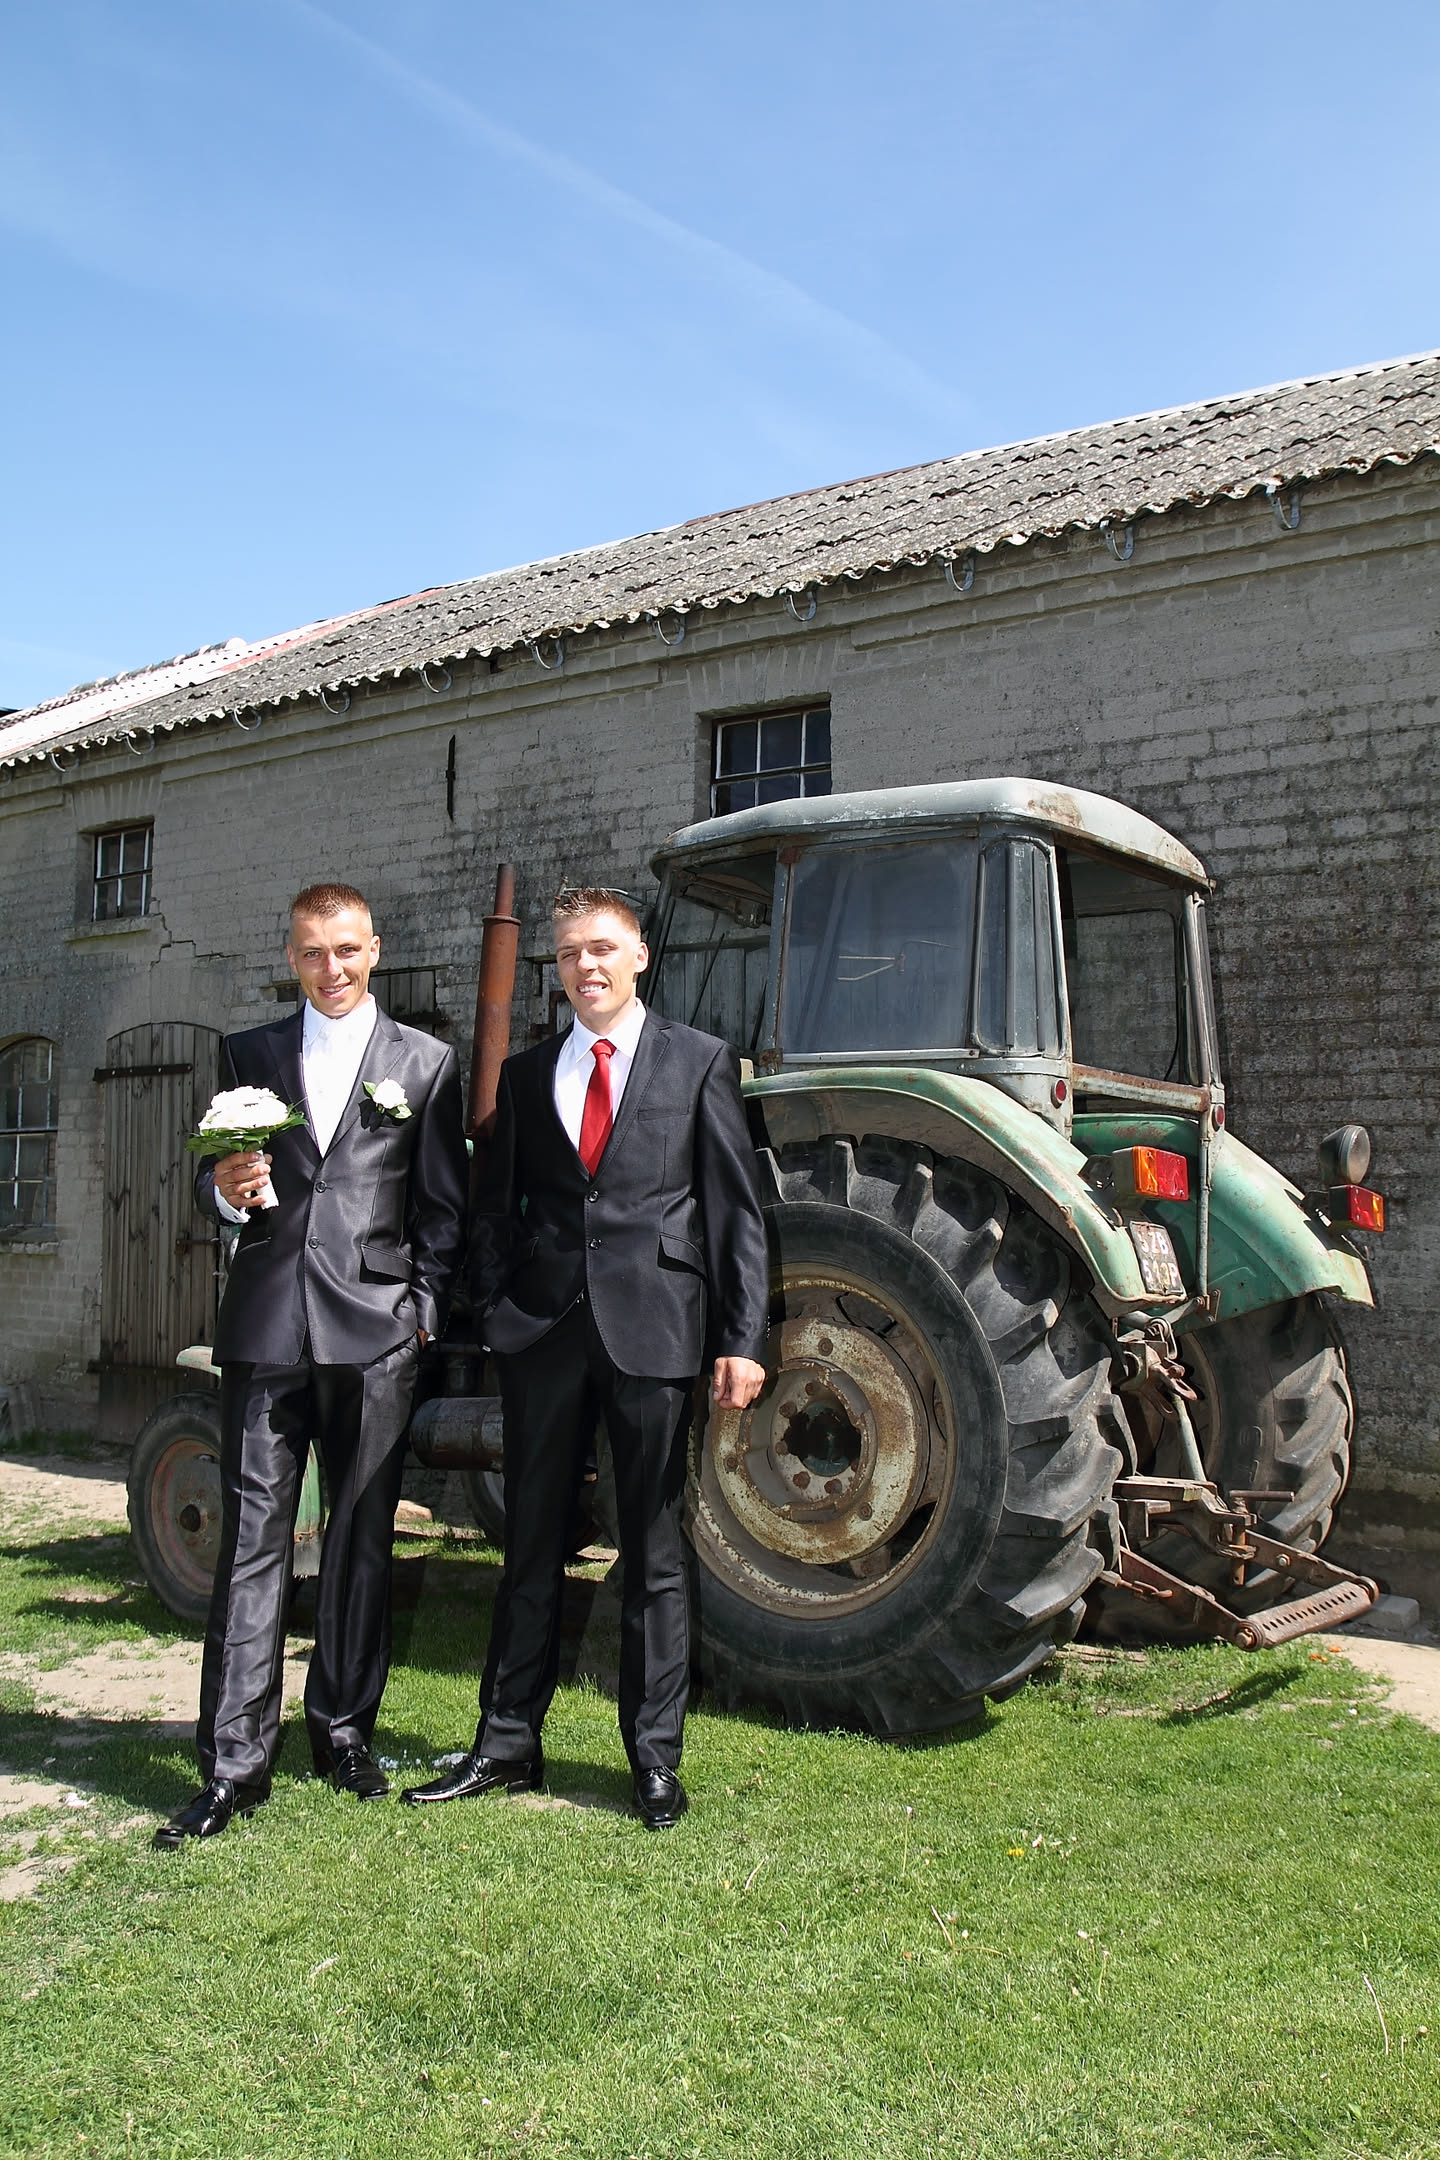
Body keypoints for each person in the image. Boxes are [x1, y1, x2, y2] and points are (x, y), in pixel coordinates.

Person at [402, 887, 768, 1829]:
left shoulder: (700, 1061)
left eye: (602, 948)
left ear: (640, 956)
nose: (586, 966)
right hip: (543, 1337)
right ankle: (505, 1745)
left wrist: (741, 1339)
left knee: (651, 1551)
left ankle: (654, 1761)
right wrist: (493, 1312)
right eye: (569, 954)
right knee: (529, 1544)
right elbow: (494, 1210)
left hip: (655, 1332)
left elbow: (735, 1214)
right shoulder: (526, 1077)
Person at [154, 882, 468, 1849]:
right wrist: (223, 1189)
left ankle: (342, 1733)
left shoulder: (426, 1062)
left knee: (362, 1538)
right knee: (253, 1541)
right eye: (311, 953)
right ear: (290, 958)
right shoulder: (247, 1053)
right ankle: (232, 1765)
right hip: (266, 1328)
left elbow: (443, 1210)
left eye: (346, 949)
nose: (331, 968)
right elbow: (219, 1184)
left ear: (374, 950)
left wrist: (419, 1317)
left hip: (374, 1333)